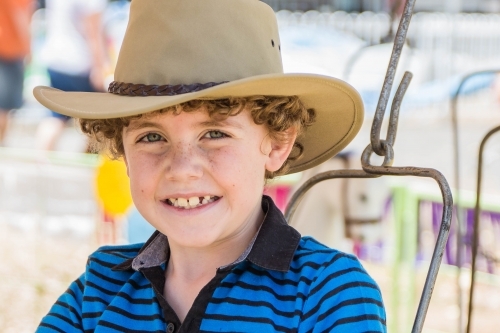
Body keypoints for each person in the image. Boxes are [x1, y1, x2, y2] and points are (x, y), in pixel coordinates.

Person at [33, 0, 387, 332]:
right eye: (152, 138)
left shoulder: (328, 292)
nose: (182, 168)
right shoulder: (99, 289)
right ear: (123, 151)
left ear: (277, 143)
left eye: (214, 133)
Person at [35, 0, 108, 151]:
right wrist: (99, 67)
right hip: (80, 63)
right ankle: (88, 160)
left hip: (56, 58)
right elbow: (93, 32)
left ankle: (40, 159)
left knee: (55, 117)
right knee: (97, 118)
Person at [0, 0, 34, 146]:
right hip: (8, 51)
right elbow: (19, 16)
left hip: (7, 49)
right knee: (4, 107)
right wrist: (28, 49)